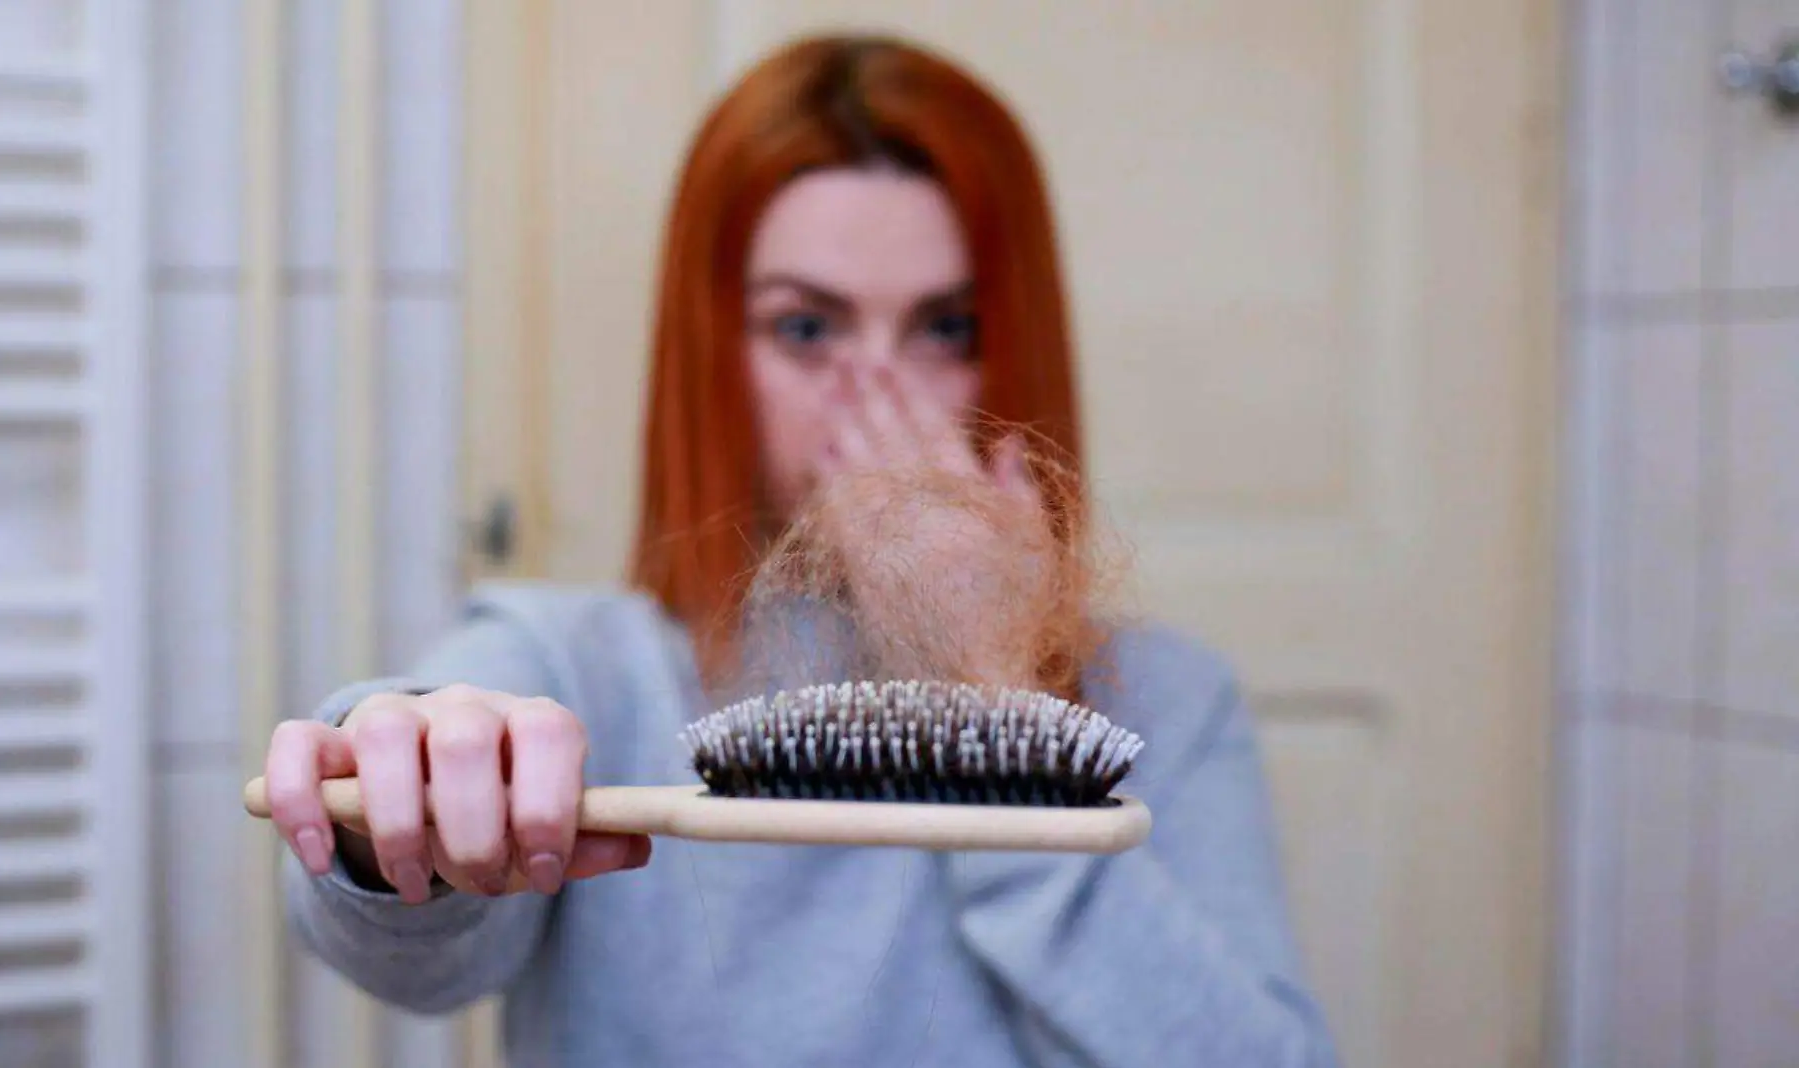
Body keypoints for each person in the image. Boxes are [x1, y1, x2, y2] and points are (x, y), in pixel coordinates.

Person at [262, 32, 1341, 1067]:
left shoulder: (1169, 703)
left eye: (946, 328)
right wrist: (397, 800)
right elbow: (406, 948)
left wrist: (992, 700)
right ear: (712, 350)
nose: (880, 394)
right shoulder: (575, 667)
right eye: (807, 329)